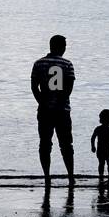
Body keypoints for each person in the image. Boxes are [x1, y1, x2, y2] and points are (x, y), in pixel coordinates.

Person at [30, 35, 75, 186]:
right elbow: (69, 88)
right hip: (62, 110)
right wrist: (61, 101)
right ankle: (70, 176)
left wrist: (41, 101)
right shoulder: (67, 64)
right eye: (64, 45)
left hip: (44, 110)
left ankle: (47, 177)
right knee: (66, 144)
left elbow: (34, 86)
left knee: (45, 143)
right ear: (61, 47)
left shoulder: (39, 63)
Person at [90, 109, 109, 183]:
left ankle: (104, 175)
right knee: (106, 164)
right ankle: (106, 176)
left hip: (104, 150)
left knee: (105, 164)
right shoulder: (102, 129)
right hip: (104, 150)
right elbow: (93, 138)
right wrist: (93, 146)